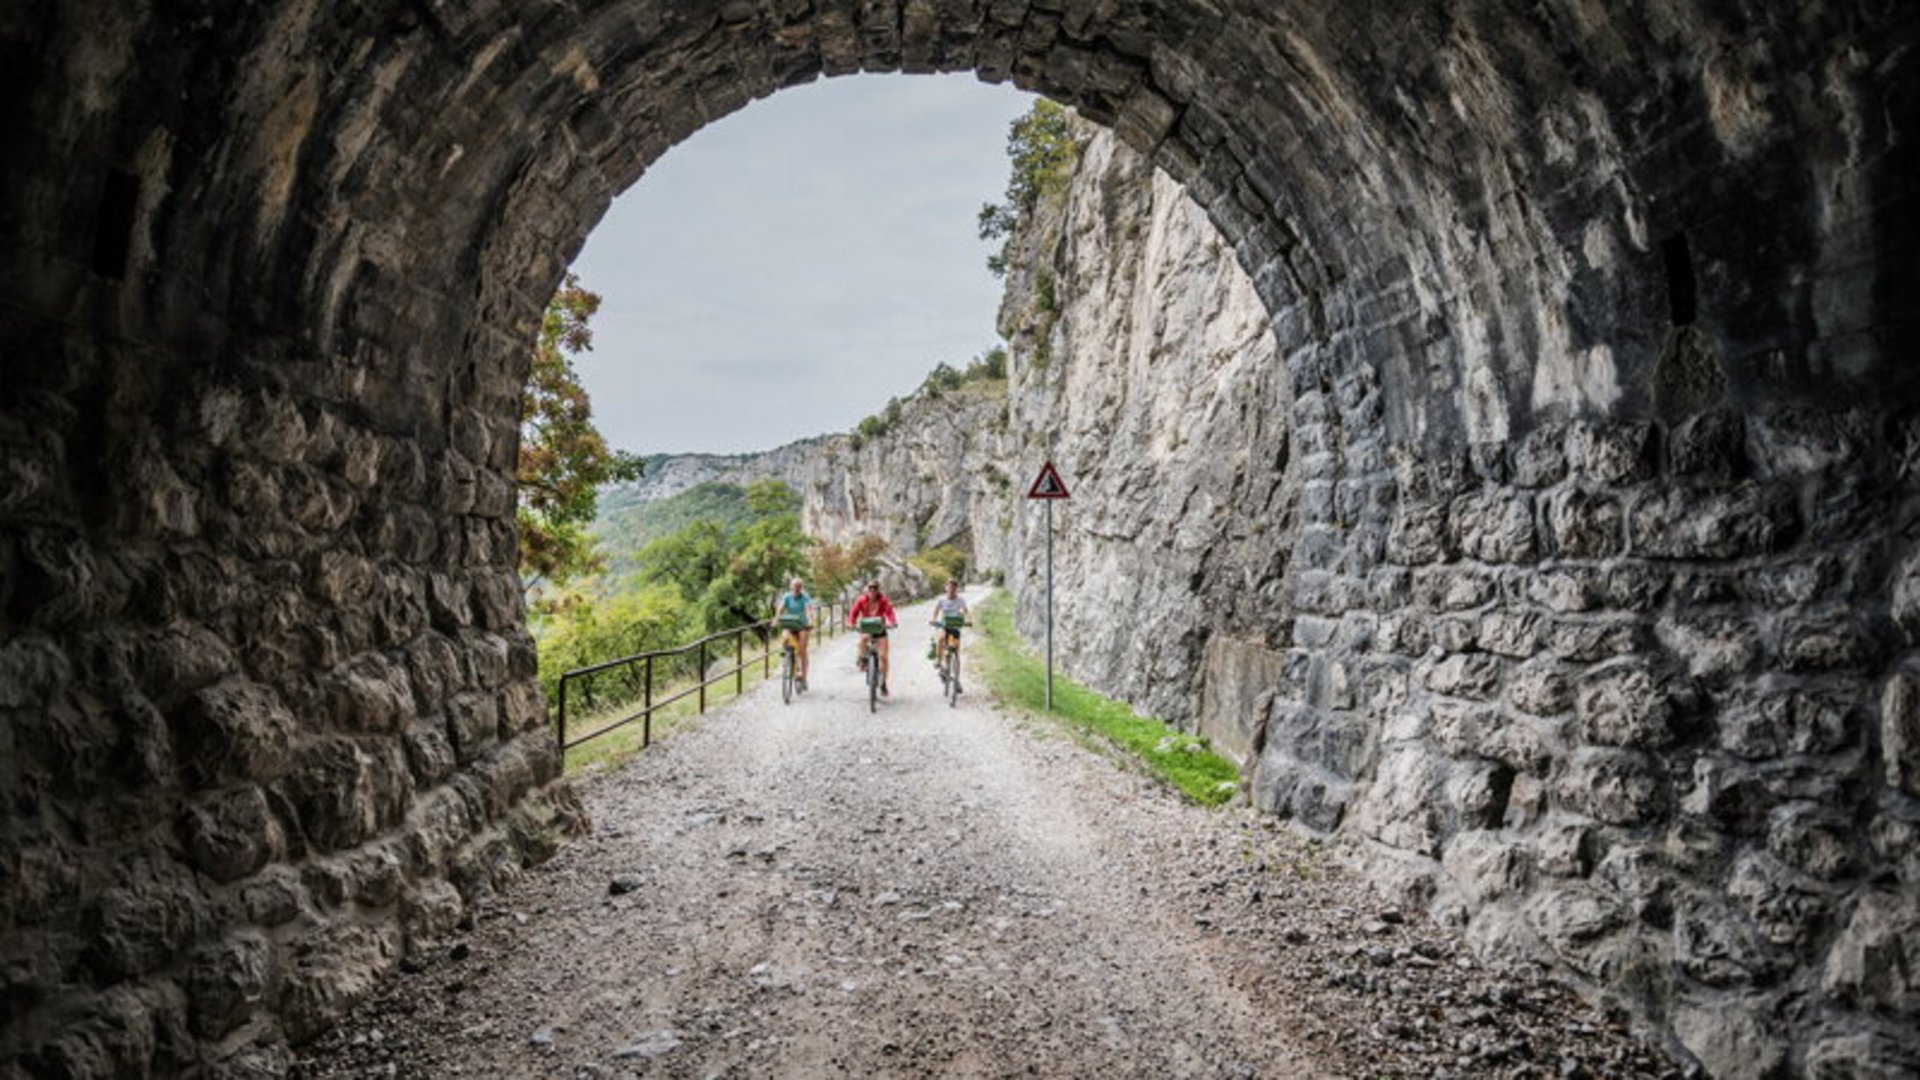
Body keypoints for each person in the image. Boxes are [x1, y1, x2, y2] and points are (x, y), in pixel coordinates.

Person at [846, 579, 898, 695]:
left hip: (880, 629)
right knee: (862, 640)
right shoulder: (861, 600)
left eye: (875, 588)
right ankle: (863, 659)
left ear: (878, 590)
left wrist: (893, 622)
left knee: (883, 657)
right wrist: (851, 623)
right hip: (867, 628)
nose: (872, 590)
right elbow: (853, 613)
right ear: (867, 589)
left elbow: (889, 612)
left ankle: (883, 683)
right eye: (870, 588)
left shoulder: (883, 600)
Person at [772, 578, 816, 688]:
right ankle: (788, 656)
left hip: (802, 625)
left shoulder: (805, 598)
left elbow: (808, 610)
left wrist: (810, 621)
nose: (796, 588)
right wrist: (775, 620)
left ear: (801, 588)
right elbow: (780, 609)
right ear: (791, 587)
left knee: (802, 650)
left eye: (799, 586)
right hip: (791, 623)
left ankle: (804, 678)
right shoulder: (787, 597)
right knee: (785, 636)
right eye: (795, 586)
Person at [928, 578, 969, 670]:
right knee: (940, 639)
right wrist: (933, 619)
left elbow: (965, 611)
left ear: (956, 588)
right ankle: (938, 660)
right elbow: (936, 610)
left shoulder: (960, 600)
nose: (951, 589)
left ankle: (955, 661)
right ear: (946, 588)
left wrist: (968, 620)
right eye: (949, 587)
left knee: (956, 647)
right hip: (944, 625)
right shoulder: (942, 600)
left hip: (955, 626)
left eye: (953, 587)